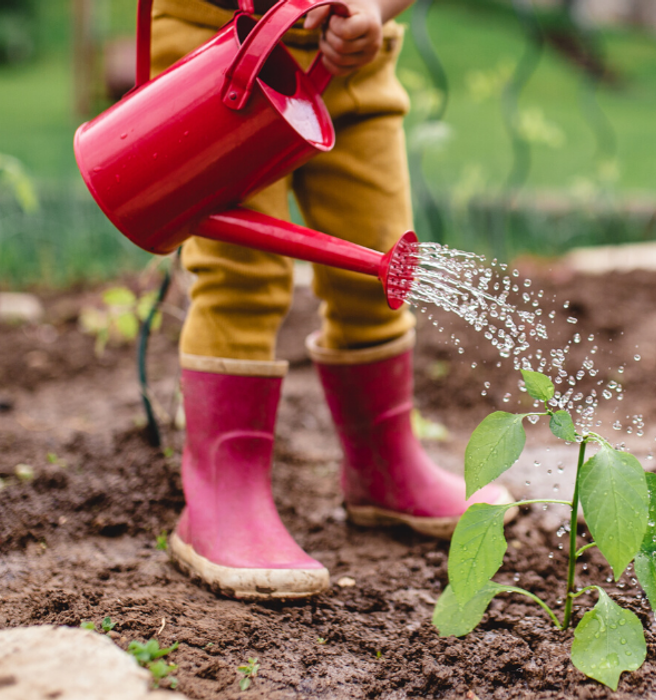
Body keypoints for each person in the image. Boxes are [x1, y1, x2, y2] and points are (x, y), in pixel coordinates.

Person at [148, 0, 511, 601]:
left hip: (352, 59)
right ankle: (221, 498)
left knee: (380, 268)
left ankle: (386, 466)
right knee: (243, 277)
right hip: (221, 52)